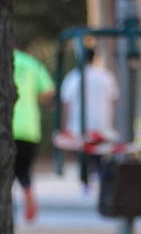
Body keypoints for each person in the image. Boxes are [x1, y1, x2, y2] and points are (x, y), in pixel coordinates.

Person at [59, 48, 118, 190]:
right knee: (98, 153)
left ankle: (86, 182)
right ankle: (100, 177)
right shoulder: (105, 76)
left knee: (84, 152)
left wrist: (64, 125)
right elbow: (114, 100)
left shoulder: (74, 77)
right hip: (102, 122)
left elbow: (66, 102)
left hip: (79, 124)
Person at [12, 49, 55, 223]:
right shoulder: (31, 63)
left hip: (3, 126)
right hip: (28, 125)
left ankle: (4, 209)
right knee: (23, 170)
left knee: (1, 173)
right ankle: (29, 198)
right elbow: (48, 92)